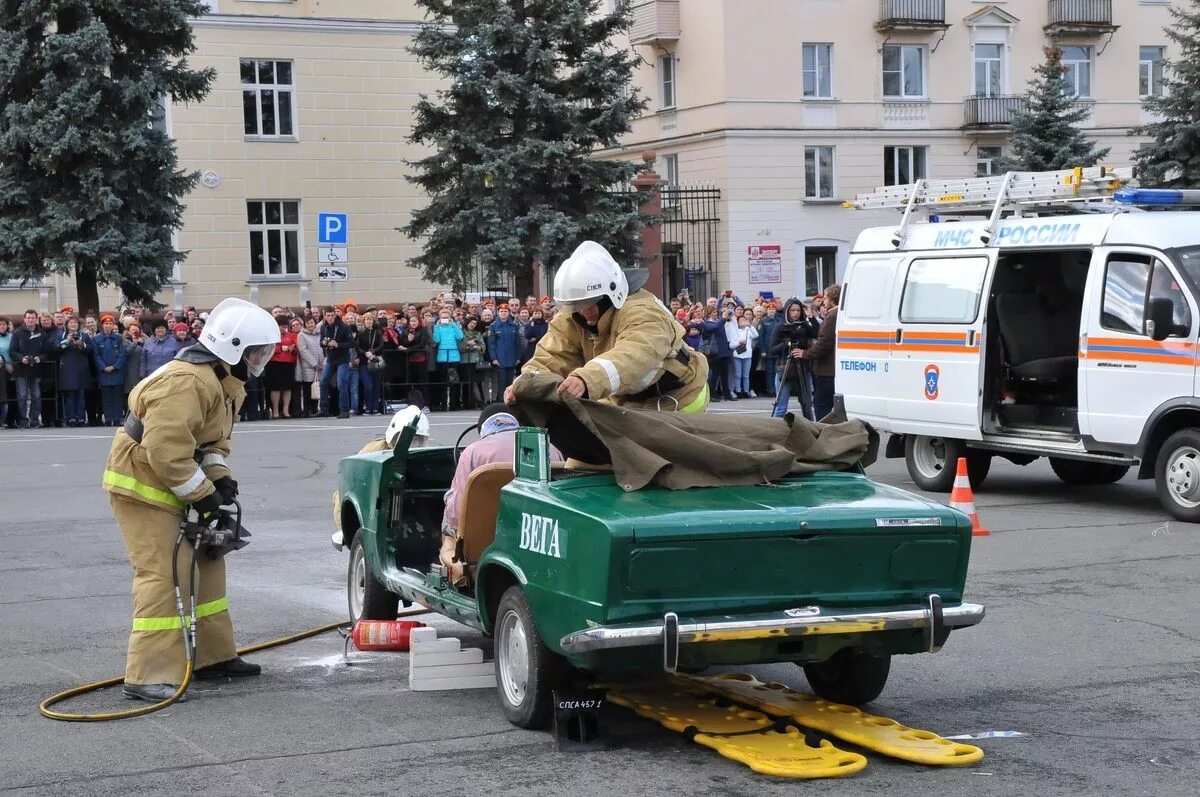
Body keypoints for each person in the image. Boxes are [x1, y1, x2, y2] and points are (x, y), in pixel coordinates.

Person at [103, 297, 280, 703]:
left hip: (176, 478)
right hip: (143, 487)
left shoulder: (225, 383)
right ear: (232, 348)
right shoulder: (186, 382)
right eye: (257, 351)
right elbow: (166, 451)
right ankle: (147, 674)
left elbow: (213, 442)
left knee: (207, 564)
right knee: (163, 574)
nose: (261, 359)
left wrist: (220, 480)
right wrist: (204, 496)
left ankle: (212, 658)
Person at [505, 241, 709, 413]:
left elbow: (633, 355)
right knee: (586, 459)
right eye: (576, 305)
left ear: (612, 295)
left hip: (680, 399)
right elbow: (551, 357)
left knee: (663, 459)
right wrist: (524, 384)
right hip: (624, 401)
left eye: (590, 302)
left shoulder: (644, 313)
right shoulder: (571, 317)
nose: (583, 311)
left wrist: (587, 379)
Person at [439, 404, 561, 582]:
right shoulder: (550, 449)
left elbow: (457, 512)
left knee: (448, 537)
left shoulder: (472, 452)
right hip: (538, 540)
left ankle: (460, 574)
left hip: (484, 545)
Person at [771, 298, 818, 420]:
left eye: (798, 310)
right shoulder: (780, 327)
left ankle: (811, 431)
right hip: (785, 368)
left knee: (807, 405)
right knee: (781, 407)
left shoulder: (804, 326)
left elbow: (817, 333)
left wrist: (811, 316)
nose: (796, 313)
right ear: (787, 311)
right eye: (792, 310)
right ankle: (774, 432)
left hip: (803, 368)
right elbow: (772, 349)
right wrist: (787, 344)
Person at [803, 283, 840, 420]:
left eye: (825, 297)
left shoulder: (832, 315)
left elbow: (824, 342)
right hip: (833, 370)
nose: (823, 301)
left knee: (821, 406)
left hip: (827, 371)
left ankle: (823, 435)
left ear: (832, 298)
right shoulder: (838, 313)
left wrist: (806, 354)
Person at [10, 310, 48, 428]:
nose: (30, 320)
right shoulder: (17, 334)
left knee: (36, 396)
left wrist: (39, 358)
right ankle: (23, 420)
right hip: (21, 369)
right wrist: (21, 358)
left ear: (36, 319)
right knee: (21, 396)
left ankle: (34, 420)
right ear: (24, 319)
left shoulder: (42, 334)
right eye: (28, 318)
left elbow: (47, 352)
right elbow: (12, 350)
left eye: (33, 318)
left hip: (36, 370)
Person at [318, 306, 355, 419]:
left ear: (335, 315)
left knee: (341, 384)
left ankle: (344, 410)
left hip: (342, 359)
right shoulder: (323, 327)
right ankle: (324, 409)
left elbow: (351, 343)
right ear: (324, 316)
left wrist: (338, 344)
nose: (330, 318)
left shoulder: (343, 327)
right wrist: (324, 343)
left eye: (332, 315)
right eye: (328, 315)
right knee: (323, 382)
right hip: (330, 358)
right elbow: (321, 342)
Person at [57, 316, 93, 426]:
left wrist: (82, 344)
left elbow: (91, 349)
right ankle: (71, 417)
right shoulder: (61, 335)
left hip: (81, 368)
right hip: (67, 369)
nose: (73, 324)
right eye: (71, 323)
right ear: (67, 324)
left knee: (81, 395)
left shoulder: (84, 336)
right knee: (70, 395)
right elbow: (56, 349)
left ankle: (81, 418)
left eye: (75, 323)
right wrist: (67, 341)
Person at [94, 315, 127, 427]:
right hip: (104, 373)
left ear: (113, 325)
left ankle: (117, 418)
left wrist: (115, 366)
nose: (108, 326)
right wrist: (104, 367)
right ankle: (108, 418)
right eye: (106, 324)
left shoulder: (118, 338)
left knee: (117, 396)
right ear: (102, 325)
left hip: (117, 372)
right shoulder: (97, 339)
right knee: (106, 397)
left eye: (110, 324)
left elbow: (122, 354)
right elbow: (96, 355)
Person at [265, 316, 297, 419]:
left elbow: (296, 347)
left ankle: (286, 410)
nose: (283, 329)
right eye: (280, 326)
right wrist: (280, 349)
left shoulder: (290, 335)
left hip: (288, 363)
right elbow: (268, 349)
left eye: (284, 326)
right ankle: (275, 411)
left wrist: (292, 349)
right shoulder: (271, 335)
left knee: (288, 388)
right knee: (275, 388)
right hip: (275, 363)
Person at [295, 316, 324, 418]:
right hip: (308, 367)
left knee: (316, 389)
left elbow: (322, 348)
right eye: (308, 323)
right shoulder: (301, 335)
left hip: (320, 366)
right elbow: (303, 351)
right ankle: (307, 410)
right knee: (308, 389)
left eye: (311, 322)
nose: (310, 325)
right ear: (305, 325)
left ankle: (315, 409)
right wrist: (314, 364)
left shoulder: (319, 334)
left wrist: (321, 362)